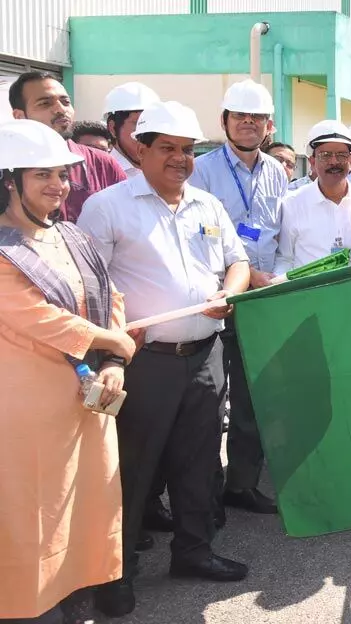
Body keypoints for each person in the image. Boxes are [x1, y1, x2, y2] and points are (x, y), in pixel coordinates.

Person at [79, 101, 251, 617]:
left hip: (205, 353)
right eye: (168, 148)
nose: (180, 159)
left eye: (188, 150)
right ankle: (115, 573)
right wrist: (107, 346)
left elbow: (237, 261)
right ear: (141, 149)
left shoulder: (206, 204)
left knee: (199, 464)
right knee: (132, 470)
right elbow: (90, 287)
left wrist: (231, 292)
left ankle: (193, 552)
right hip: (142, 361)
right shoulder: (108, 207)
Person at [0, 120, 135, 623]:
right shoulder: (3, 249)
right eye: (43, 176)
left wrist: (116, 361)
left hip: (86, 404)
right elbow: (36, 317)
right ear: (9, 180)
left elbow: (111, 297)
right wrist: (108, 341)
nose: (59, 185)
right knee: (34, 514)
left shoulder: (71, 235)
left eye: (62, 174)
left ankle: (75, 596)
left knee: (85, 510)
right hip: (27, 416)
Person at [188, 79, 286, 517]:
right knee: (208, 401)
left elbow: (282, 234)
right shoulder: (201, 170)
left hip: (263, 299)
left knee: (252, 395)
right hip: (217, 297)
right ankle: (202, 491)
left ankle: (242, 483)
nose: (248, 124)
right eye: (239, 116)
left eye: (256, 118)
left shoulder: (277, 172)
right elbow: (192, 239)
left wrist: (275, 277)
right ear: (224, 121)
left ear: (269, 125)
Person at [9, 71, 126, 221]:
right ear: (20, 116)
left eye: (65, 102)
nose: (61, 109)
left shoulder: (102, 164)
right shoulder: (7, 166)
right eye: (45, 103)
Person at [275, 122, 351, 274]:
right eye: (325, 155)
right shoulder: (292, 204)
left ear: (350, 161)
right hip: (309, 295)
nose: (334, 161)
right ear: (312, 162)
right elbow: (285, 259)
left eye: (341, 155)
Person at [102, 82, 160, 177]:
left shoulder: (167, 172)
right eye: (139, 124)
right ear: (112, 128)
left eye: (152, 124)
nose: (147, 133)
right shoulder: (100, 175)